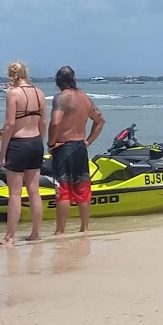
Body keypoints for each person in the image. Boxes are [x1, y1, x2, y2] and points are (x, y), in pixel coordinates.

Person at [48, 66, 106, 236]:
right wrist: (88, 141)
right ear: (74, 79)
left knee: (63, 190)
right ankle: (85, 228)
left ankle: (60, 231)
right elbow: (100, 120)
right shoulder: (84, 98)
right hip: (80, 146)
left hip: (64, 147)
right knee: (82, 189)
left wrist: (51, 143)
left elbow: (55, 123)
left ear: (58, 81)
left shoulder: (60, 98)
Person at [0, 61, 47, 245]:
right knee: (34, 191)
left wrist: (2, 153)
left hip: (18, 144)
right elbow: (43, 123)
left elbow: (9, 124)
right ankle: (36, 233)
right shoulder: (40, 93)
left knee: (15, 194)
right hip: (35, 142)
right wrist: (39, 142)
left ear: (11, 75)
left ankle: (10, 237)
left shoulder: (12, 93)